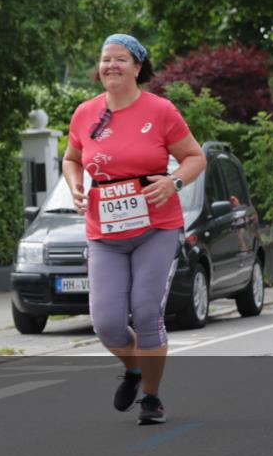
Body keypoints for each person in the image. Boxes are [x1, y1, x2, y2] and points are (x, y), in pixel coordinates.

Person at [62, 34, 206, 426]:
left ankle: (152, 398)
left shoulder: (160, 111)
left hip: (155, 226)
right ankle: (135, 369)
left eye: (120, 59)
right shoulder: (85, 113)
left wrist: (173, 182)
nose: (111, 65)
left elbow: (195, 156)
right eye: (106, 58)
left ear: (138, 67)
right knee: (107, 323)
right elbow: (72, 158)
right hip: (104, 232)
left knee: (145, 312)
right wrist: (75, 182)